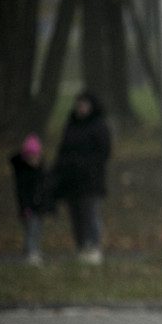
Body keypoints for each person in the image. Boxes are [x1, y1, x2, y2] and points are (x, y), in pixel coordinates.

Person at [53, 90, 112, 265]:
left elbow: (103, 152)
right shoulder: (72, 125)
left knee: (90, 213)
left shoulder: (99, 126)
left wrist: (86, 165)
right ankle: (81, 246)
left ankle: (94, 246)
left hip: (90, 179)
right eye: (78, 105)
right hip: (71, 179)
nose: (81, 108)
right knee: (76, 215)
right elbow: (63, 149)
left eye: (84, 104)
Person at [9, 133, 52, 265]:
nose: (34, 160)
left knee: (37, 230)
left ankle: (33, 250)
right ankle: (30, 252)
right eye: (31, 157)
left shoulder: (41, 171)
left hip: (39, 207)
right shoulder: (23, 173)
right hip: (28, 208)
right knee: (31, 230)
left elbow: (45, 189)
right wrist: (25, 207)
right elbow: (22, 193)